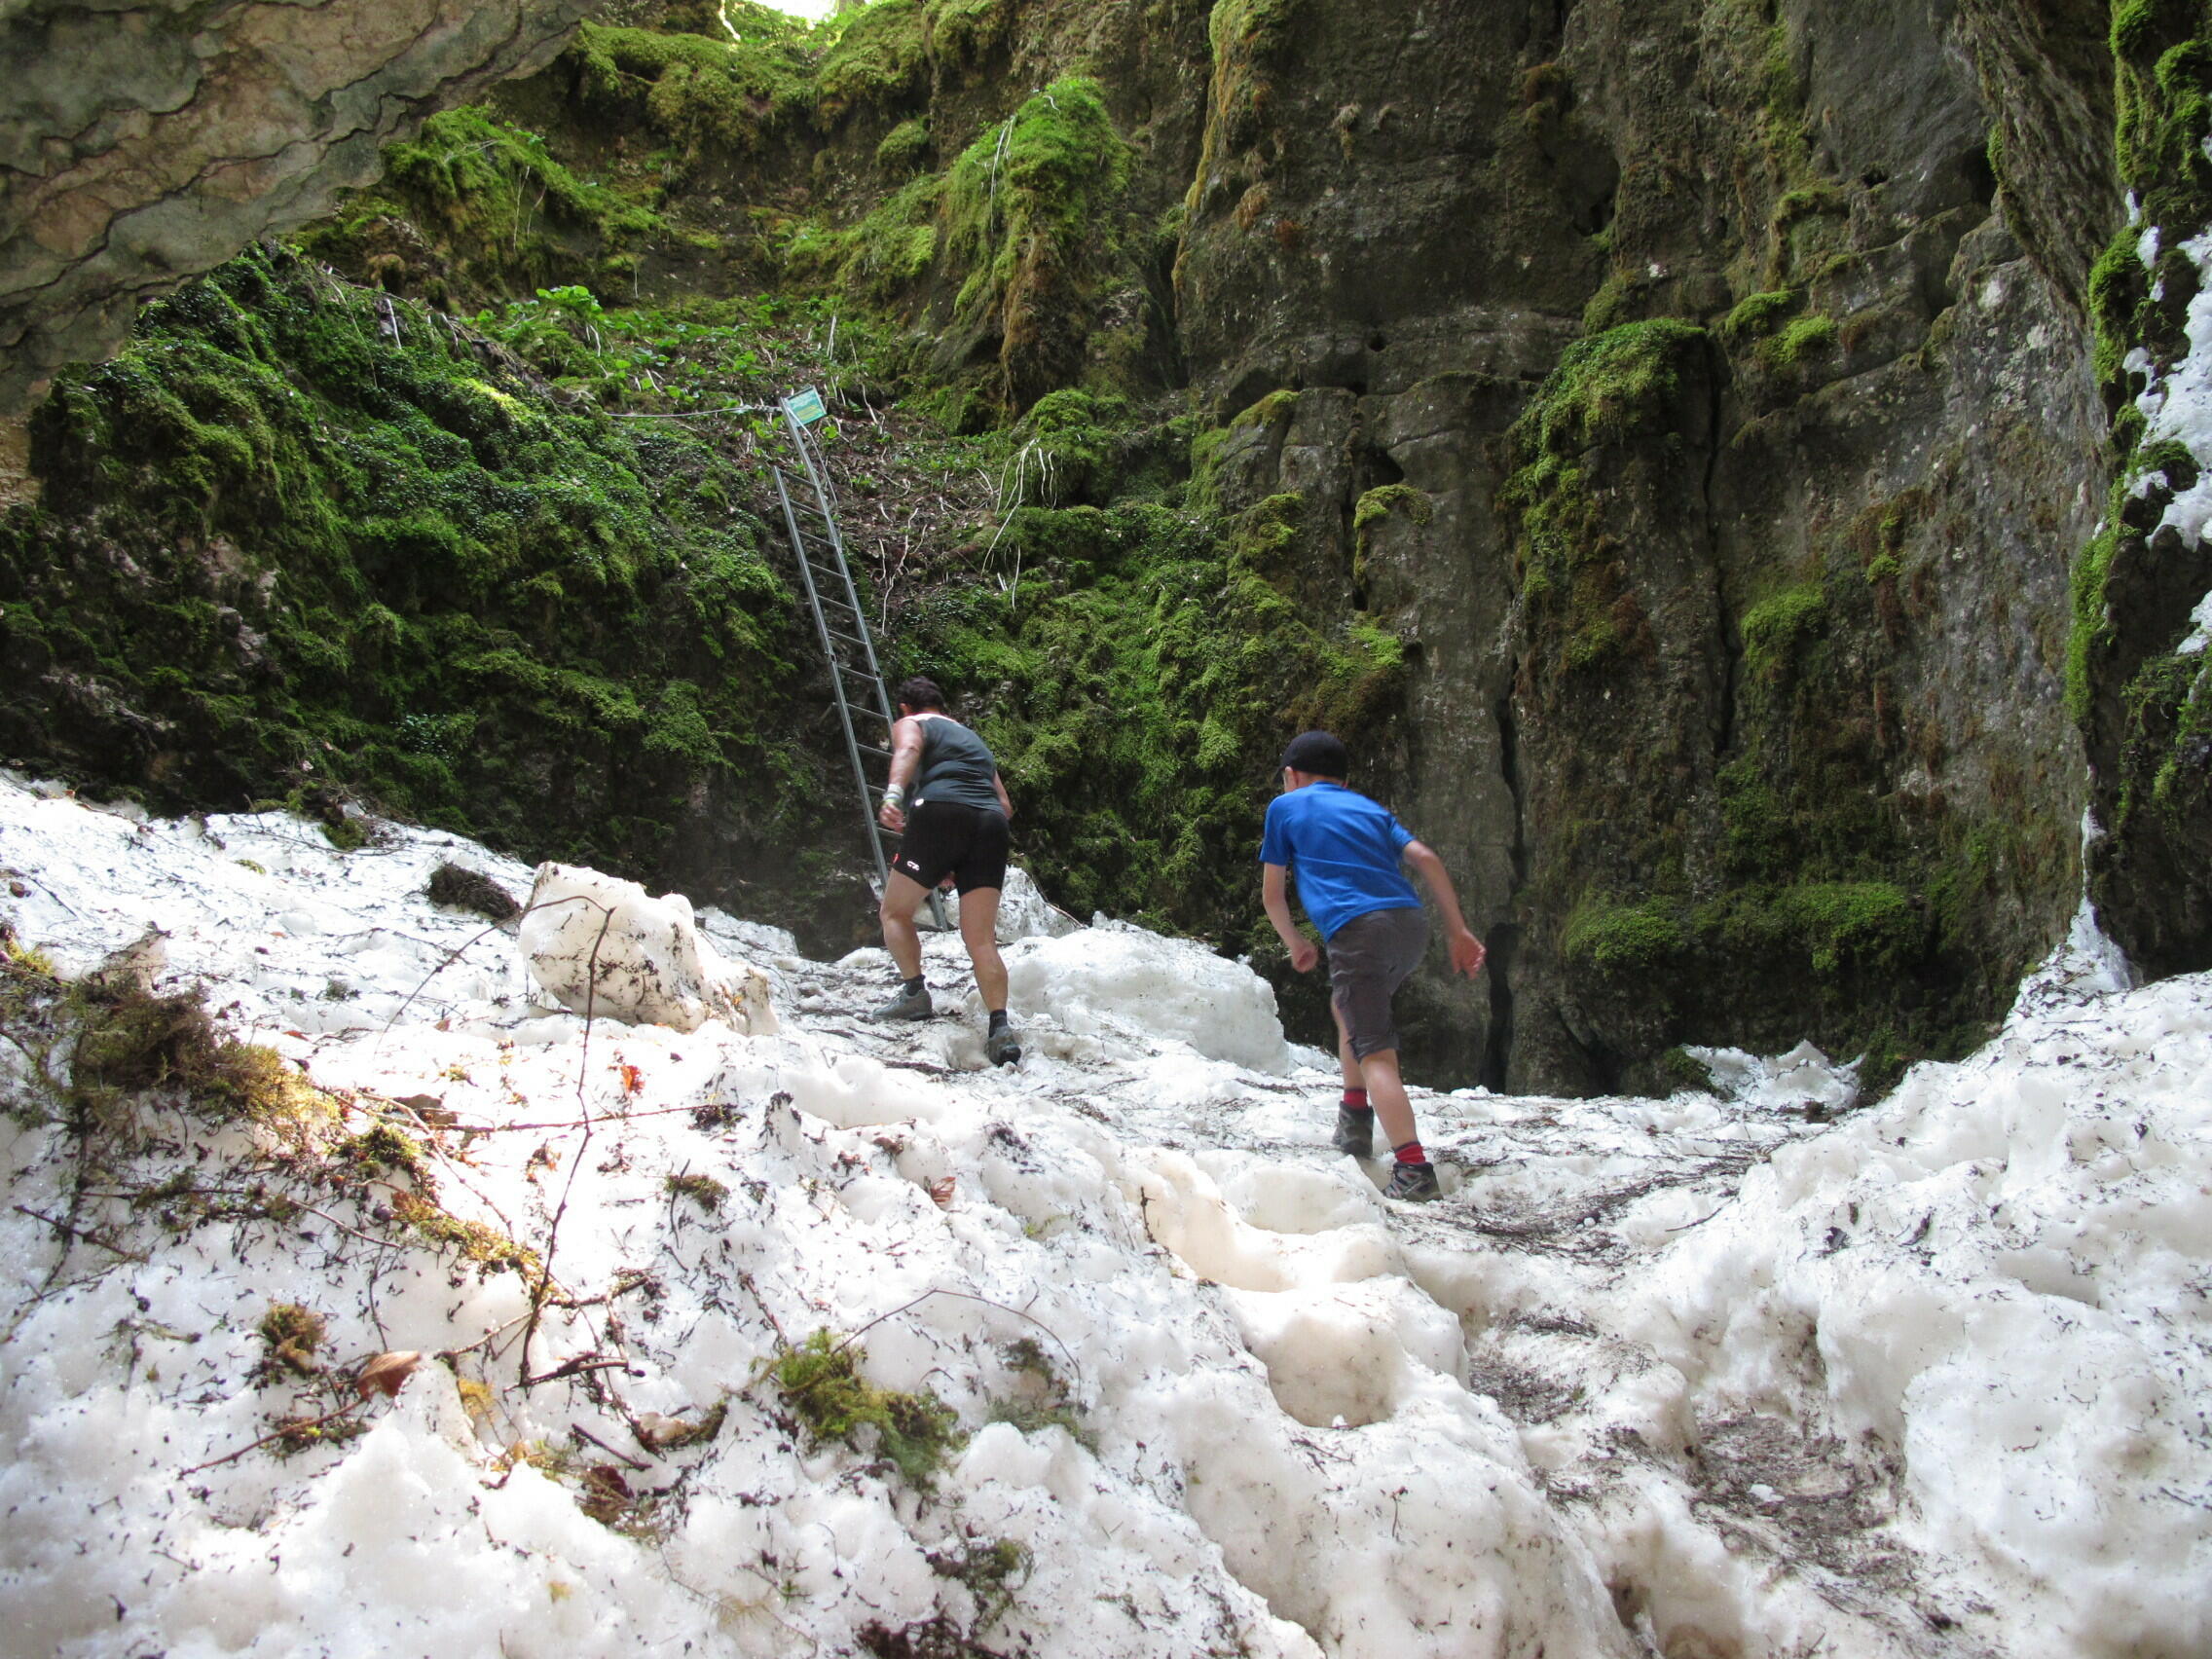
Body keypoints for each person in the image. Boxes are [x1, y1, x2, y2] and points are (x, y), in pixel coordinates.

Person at [1259, 729, 1485, 1200]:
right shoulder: (1368, 809)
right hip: (1409, 926)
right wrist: (1458, 931)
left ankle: (1413, 1168)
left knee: (1375, 1050)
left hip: (1358, 930)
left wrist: (1295, 941)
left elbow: (1272, 895)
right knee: (1349, 1011)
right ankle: (1355, 1120)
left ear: (1291, 775)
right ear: (1343, 781)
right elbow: (1425, 858)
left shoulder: (1285, 806)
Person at [869, 676, 1022, 1066]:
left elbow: (908, 748)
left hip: (939, 811)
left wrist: (893, 795)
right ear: (943, 706)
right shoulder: (974, 740)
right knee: (981, 938)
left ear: (905, 707)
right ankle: (1000, 1029)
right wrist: (957, 855)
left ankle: (914, 993)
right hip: (991, 824)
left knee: (894, 911)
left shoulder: (913, 723)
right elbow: (1004, 806)